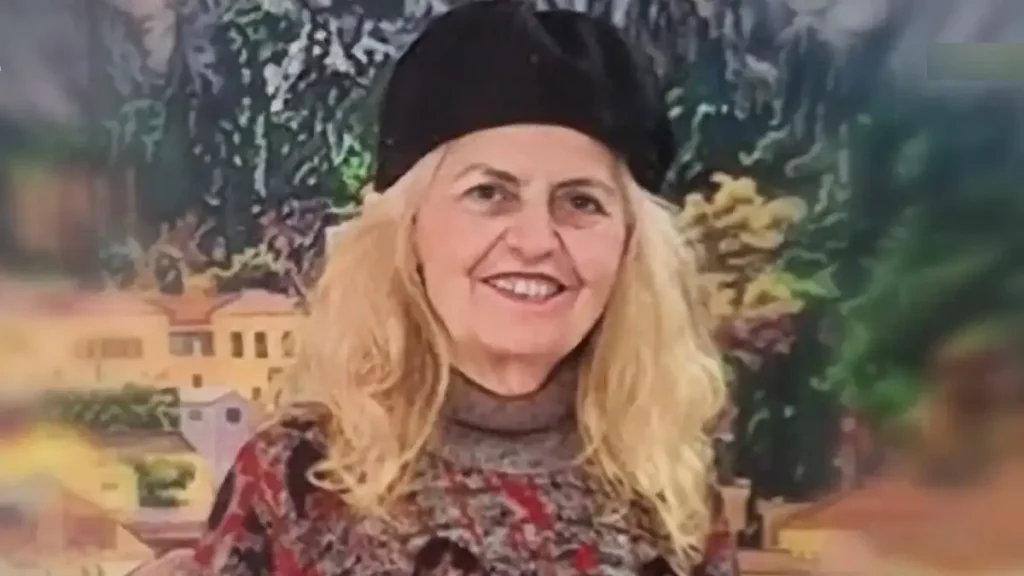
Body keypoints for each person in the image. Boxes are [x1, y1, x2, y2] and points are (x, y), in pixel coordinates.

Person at [185, 2, 733, 574]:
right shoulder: (294, 479)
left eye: (581, 201)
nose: (535, 241)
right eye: (489, 193)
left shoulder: (674, 489)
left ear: (631, 247)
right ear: (408, 228)